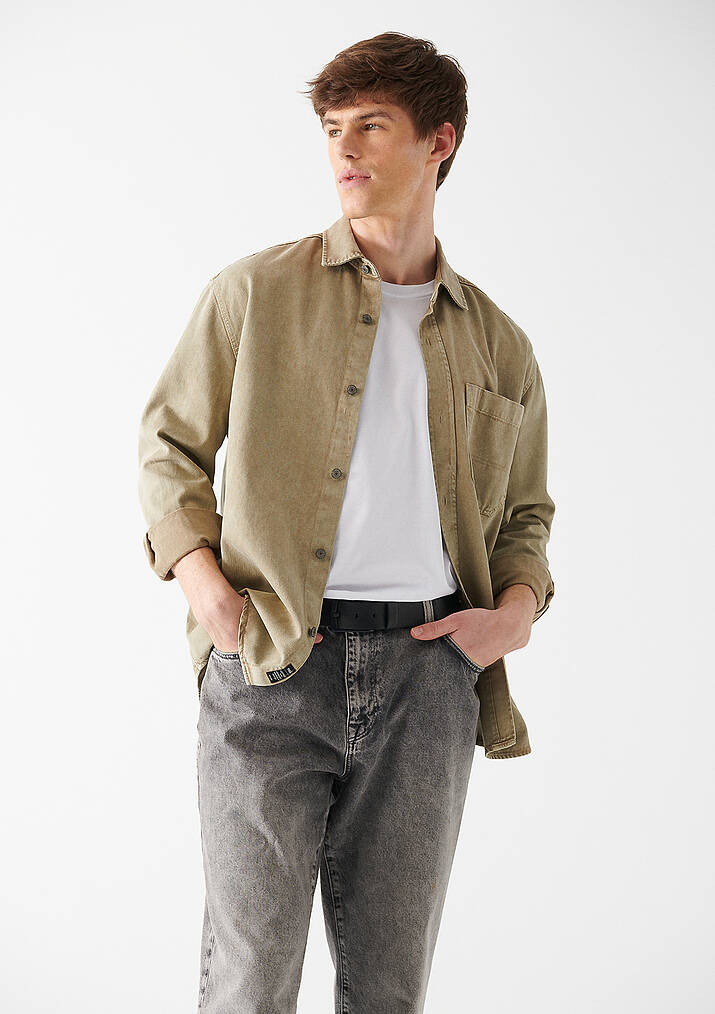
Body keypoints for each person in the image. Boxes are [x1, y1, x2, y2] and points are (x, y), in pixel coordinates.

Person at [137, 30, 556, 1014]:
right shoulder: (254, 292)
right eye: (332, 128)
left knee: (388, 988)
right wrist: (210, 593)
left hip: (428, 681)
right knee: (250, 980)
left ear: (438, 142)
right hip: (270, 664)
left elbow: (525, 514)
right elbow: (168, 449)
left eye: (371, 125)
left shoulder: (497, 343)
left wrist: (512, 616)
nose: (344, 149)